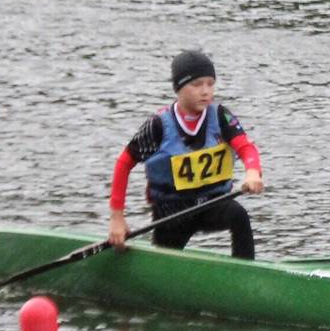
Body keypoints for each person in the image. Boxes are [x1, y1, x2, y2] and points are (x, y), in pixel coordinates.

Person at [107, 50, 265, 259]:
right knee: (164, 262)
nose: (206, 91)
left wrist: (252, 172)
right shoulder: (158, 125)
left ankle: (247, 275)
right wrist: (117, 218)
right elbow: (124, 163)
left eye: (210, 83)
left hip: (212, 203)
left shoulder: (220, 116)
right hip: (172, 212)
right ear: (179, 88)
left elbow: (246, 147)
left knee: (238, 215)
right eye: (197, 84)